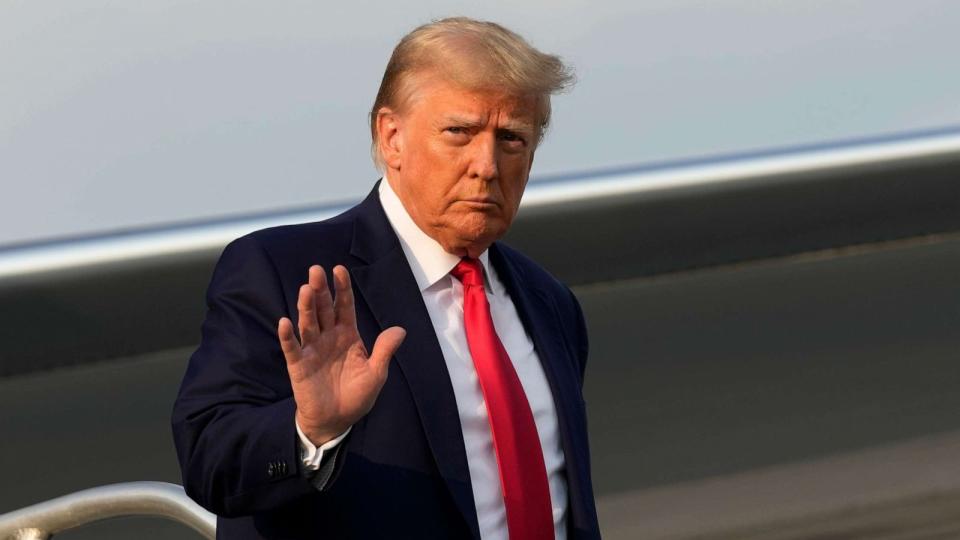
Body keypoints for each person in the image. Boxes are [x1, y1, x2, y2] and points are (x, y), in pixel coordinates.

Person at [172, 17, 600, 540]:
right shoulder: (283, 273)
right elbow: (209, 460)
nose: (486, 165)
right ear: (391, 137)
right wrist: (310, 431)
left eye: (511, 139)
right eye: (459, 132)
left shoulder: (549, 303)